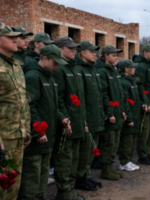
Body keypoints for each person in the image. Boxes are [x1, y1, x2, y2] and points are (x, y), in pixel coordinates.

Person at [19, 44, 69, 200]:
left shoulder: (50, 76)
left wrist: (62, 117)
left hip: (49, 133)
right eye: (55, 63)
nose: (56, 67)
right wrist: (38, 131)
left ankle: (39, 195)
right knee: (33, 170)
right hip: (38, 135)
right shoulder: (33, 77)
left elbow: (53, 105)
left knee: (44, 169)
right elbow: (29, 107)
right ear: (44, 58)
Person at [52, 37, 87, 200]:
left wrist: (83, 120)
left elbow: (81, 98)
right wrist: (65, 119)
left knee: (74, 158)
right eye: (69, 48)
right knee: (65, 159)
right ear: (60, 49)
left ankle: (70, 189)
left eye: (75, 48)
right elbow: (58, 98)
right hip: (67, 122)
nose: (74, 50)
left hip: (78, 121)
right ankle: (64, 191)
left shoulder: (75, 68)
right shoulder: (59, 69)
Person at [0, 23, 30, 200]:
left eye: (16, 37)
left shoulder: (16, 65)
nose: (15, 40)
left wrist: (26, 130)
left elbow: (22, 101)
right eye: (10, 37)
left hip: (17, 135)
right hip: (4, 138)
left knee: (13, 182)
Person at [75, 41, 103, 190]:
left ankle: (86, 176)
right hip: (87, 117)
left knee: (91, 150)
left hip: (96, 116)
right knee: (85, 151)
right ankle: (80, 179)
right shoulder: (79, 70)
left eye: (95, 52)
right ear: (82, 53)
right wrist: (83, 118)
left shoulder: (93, 69)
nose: (95, 54)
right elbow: (81, 97)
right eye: (91, 52)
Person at [96, 45, 126, 178]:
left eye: (117, 55)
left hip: (118, 112)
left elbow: (120, 94)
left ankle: (111, 166)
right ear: (106, 55)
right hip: (111, 115)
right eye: (113, 55)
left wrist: (123, 110)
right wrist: (110, 113)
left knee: (115, 142)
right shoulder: (102, 71)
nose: (116, 57)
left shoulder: (114, 71)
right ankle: (105, 169)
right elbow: (104, 94)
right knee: (108, 142)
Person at [133, 44, 150, 165]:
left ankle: (148, 152)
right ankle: (142, 155)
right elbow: (140, 86)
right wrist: (146, 102)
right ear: (145, 53)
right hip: (146, 103)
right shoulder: (141, 66)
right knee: (144, 131)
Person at [117, 60, 142, 171]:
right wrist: (129, 118)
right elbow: (125, 102)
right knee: (127, 141)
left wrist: (142, 105)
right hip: (130, 116)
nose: (134, 69)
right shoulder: (123, 82)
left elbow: (135, 99)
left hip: (135, 114)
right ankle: (124, 162)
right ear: (126, 69)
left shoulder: (132, 81)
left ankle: (128, 160)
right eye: (132, 67)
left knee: (132, 140)